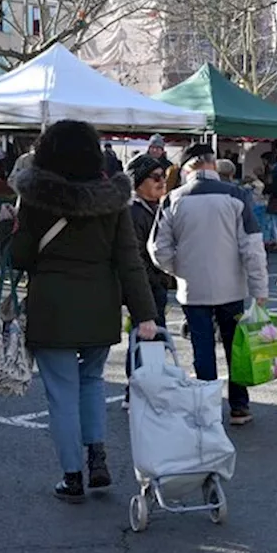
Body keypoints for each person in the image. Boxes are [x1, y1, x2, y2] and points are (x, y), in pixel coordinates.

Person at [4, 119, 157, 502]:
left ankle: (72, 476)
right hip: (100, 306)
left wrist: (9, 229)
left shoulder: (34, 197)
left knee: (61, 393)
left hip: (52, 307)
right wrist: (145, 315)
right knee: (91, 382)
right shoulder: (113, 199)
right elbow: (129, 260)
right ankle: (98, 459)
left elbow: (19, 257)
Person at [150, 143, 269, 426]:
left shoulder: (173, 199)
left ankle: (207, 407)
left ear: (187, 168)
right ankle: (239, 406)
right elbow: (252, 247)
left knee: (202, 348)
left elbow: (158, 248)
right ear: (213, 165)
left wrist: (179, 269)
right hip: (232, 287)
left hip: (193, 287)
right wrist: (259, 289)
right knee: (235, 346)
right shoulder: (237, 196)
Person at [122, 158, 174, 408]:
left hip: (155, 284)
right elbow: (135, 256)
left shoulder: (154, 207)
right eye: (155, 177)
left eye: (163, 175)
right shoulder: (133, 210)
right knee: (146, 338)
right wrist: (156, 280)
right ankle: (136, 392)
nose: (162, 181)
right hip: (145, 287)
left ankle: (142, 390)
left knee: (151, 340)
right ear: (138, 181)